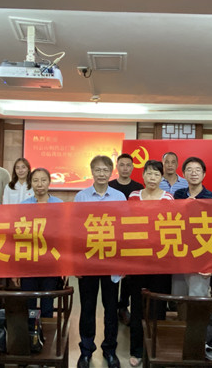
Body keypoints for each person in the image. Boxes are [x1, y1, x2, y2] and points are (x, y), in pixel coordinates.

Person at [75, 155, 126, 368]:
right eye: (98, 170)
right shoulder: (81, 196)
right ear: (92, 171)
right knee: (87, 308)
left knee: (111, 308)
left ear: (111, 172)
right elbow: (75, 231)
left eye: (105, 170)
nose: (102, 174)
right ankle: (86, 351)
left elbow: (123, 229)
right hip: (88, 260)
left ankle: (110, 350)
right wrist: (76, 262)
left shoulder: (119, 197)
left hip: (111, 261)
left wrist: (122, 262)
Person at [127, 160, 173, 367]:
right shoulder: (134, 196)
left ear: (162, 178)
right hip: (137, 260)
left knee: (158, 305)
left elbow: (172, 227)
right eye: (149, 173)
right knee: (137, 306)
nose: (152, 177)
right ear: (143, 176)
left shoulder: (168, 198)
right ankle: (136, 350)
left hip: (161, 261)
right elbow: (126, 225)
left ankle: (155, 349)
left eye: (156, 174)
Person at [19, 168, 63, 317]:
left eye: (43, 180)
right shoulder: (24, 205)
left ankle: (47, 328)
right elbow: (18, 235)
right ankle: (31, 328)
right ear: (30, 183)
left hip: (51, 260)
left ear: (49, 182)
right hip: (29, 260)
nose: (39, 184)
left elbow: (64, 234)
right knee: (29, 301)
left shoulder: (59, 204)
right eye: (35, 180)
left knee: (47, 301)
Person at [172, 156, 212, 300]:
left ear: (204, 174)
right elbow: (171, 220)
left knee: (197, 298)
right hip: (180, 254)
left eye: (198, 170)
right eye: (189, 170)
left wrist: (211, 263)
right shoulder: (178, 195)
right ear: (183, 174)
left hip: (201, 255)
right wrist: (183, 206)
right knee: (178, 297)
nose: (194, 173)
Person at [108, 153, 143, 325]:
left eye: (128, 165)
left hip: (131, 236)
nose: (125, 168)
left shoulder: (138, 188)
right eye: (121, 165)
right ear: (117, 167)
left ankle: (123, 306)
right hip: (112, 235)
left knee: (129, 275)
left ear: (133, 167)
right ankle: (112, 306)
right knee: (113, 273)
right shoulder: (109, 186)